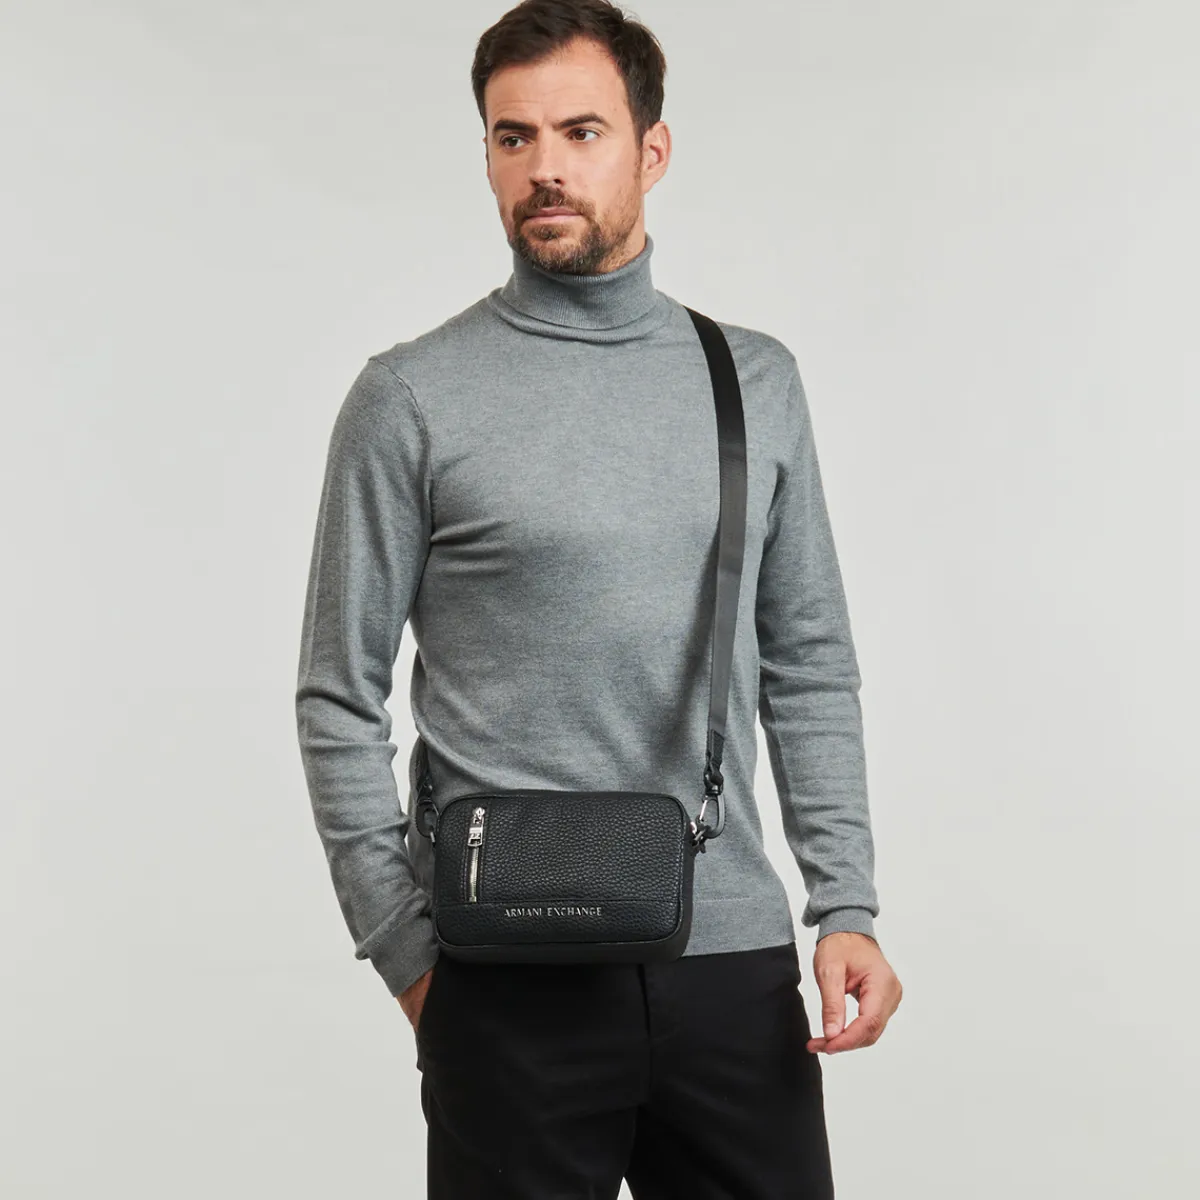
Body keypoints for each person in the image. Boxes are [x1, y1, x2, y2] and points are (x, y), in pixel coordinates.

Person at [295, 1, 903, 1195]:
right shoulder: (410, 398)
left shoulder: (754, 381)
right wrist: (410, 958)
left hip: (728, 964)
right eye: (512, 137)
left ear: (651, 150)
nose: (546, 167)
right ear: (485, 155)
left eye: (581, 131)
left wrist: (847, 905)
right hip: (503, 977)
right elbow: (336, 696)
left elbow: (809, 662)